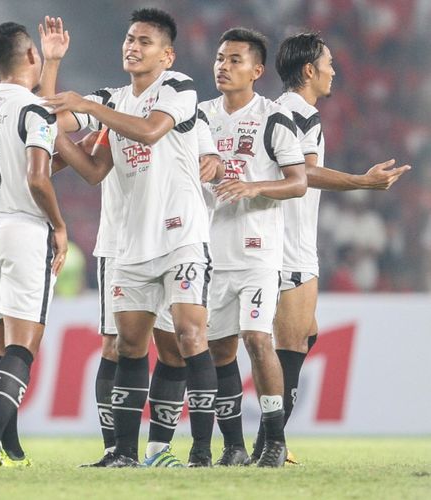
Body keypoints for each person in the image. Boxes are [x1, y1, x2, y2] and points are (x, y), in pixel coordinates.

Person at [46, 8, 218, 467]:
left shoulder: (178, 88)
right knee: (127, 345)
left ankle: (201, 451)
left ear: (167, 54)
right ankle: (122, 453)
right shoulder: (113, 97)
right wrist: (53, 65)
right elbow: (66, 134)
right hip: (126, 242)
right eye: (129, 38)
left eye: (144, 41)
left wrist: (92, 110)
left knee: (187, 333)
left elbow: (151, 130)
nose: (132, 46)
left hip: (180, 234)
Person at [247, 31, 411, 463]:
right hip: (287, 249)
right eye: (329, 63)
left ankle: (269, 443)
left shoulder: (283, 111)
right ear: (308, 70)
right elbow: (304, 175)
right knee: (290, 346)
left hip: (286, 244)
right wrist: (361, 181)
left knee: (304, 335)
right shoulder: (299, 114)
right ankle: (270, 446)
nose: (334, 70)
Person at [199, 27, 307, 467]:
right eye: (220, 58)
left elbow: (298, 182)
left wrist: (251, 186)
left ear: (257, 71)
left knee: (257, 338)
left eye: (235, 60)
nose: (223, 66)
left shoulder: (273, 118)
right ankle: (233, 447)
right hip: (210, 252)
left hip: (259, 253)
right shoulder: (199, 115)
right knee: (219, 350)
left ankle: (275, 440)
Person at [0, 20, 67, 467]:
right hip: (24, 228)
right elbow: (36, 177)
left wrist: (53, 61)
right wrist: (60, 226)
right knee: (23, 345)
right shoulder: (35, 112)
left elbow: (20, 160)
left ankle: (11, 448)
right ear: (31, 57)